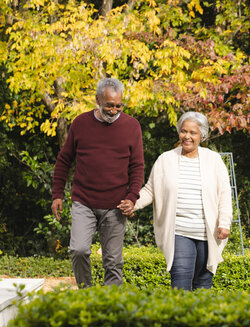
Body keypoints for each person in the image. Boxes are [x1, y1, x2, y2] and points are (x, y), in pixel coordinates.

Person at [119, 111, 232, 290]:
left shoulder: (214, 160)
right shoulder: (166, 159)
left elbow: (225, 193)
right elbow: (150, 190)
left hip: (208, 233)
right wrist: (133, 203)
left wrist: (225, 223)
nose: (187, 136)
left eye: (192, 133)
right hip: (178, 231)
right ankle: (179, 317)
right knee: (180, 279)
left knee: (203, 283)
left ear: (202, 135)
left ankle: (203, 318)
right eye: (183, 131)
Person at [51, 78, 144, 288]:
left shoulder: (132, 126)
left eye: (119, 105)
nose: (114, 110)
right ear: (97, 100)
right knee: (79, 249)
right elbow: (64, 160)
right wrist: (57, 194)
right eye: (108, 105)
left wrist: (132, 197)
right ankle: (87, 294)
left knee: (113, 262)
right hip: (84, 201)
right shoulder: (81, 123)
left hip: (116, 205)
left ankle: (108, 308)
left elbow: (137, 166)